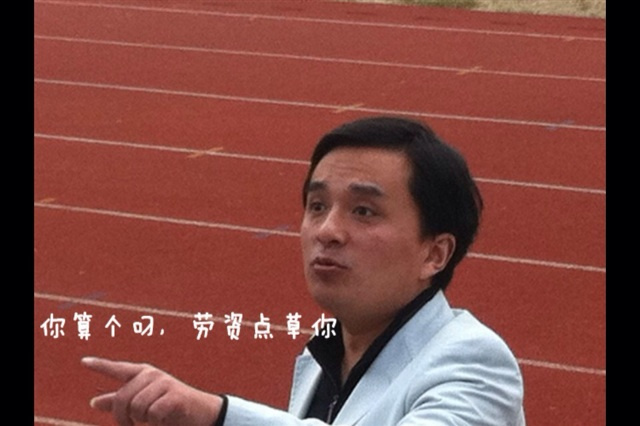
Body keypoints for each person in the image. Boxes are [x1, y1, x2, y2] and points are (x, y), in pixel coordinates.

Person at [82, 116, 526, 425]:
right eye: (317, 206)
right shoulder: (325, 355)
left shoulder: (472, 362)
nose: (327, 230)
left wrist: (216, 415)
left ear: (435, 254)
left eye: (364, 211)